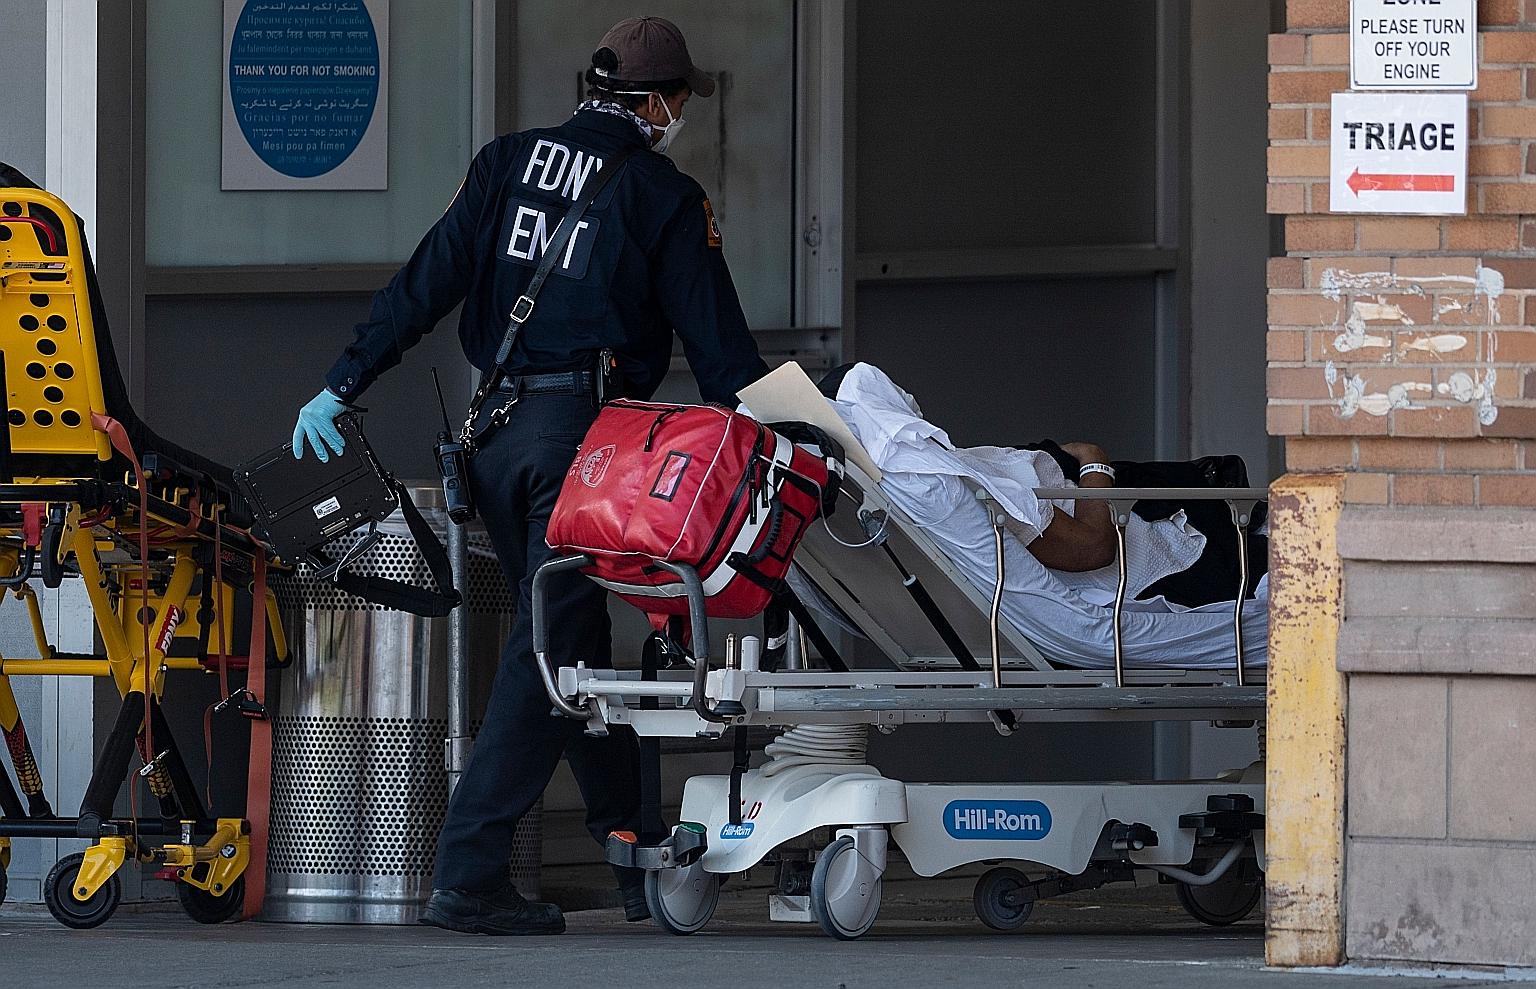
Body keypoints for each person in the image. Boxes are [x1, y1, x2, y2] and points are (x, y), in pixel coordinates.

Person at [290, 16, 767, 936]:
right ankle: (468, 871)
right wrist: (785, 433)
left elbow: (425, 280)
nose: (679, 118)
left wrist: (341, 382)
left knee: (576, 641)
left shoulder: (507, 159)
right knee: (555, 650)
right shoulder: (663, 194)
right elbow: (721, 352)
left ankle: (634, 851)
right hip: (582, 447)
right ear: (660, 104)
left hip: (496, 436)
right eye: (679, 103)